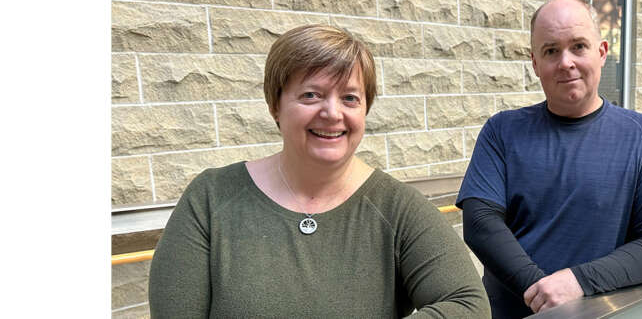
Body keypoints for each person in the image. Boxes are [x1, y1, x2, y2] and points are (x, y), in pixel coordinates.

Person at [148, 25, 489, 318]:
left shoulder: (398, 209)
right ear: (275, 105)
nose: (332, 113)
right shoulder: (211, 199)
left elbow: (467, 305)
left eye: (350, 98)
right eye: (311, 95)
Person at [457, 0, 642, 318]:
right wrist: (542, 293)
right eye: (551, 51)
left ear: (602, 52)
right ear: (535, 63)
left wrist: (578, 282)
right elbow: (480, 223)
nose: (566, 62)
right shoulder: (502, 131)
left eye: (578, 46)